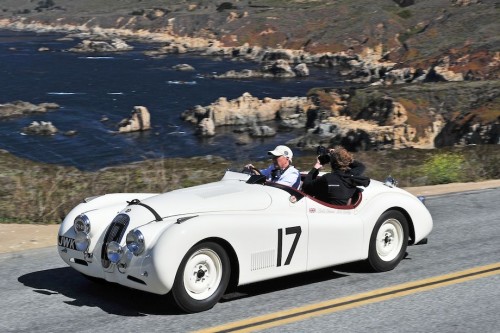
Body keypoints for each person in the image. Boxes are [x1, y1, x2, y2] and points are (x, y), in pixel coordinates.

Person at [302, 146, 370, 205]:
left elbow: (306, 187)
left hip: (325, 213)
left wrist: (316, 167)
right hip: (343, 214)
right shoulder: (350, 177)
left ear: (332, 163)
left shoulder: (327, 179)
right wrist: (342, 157)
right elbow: (361, 166)